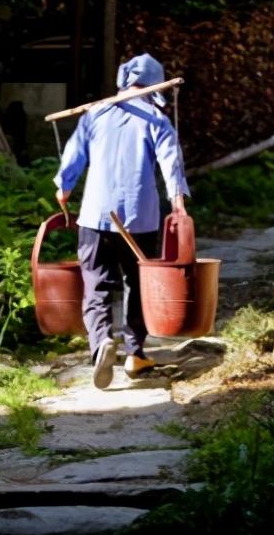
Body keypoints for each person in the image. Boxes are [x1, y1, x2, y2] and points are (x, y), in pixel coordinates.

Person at [54, 53, 190, 389]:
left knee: (96, 283)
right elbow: (170, 163)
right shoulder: (157, 119)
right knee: (137, 283)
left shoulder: (95, 113)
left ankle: (101, 342)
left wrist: (64, 188)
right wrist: (177, 203)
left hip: (95, 216)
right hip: (139, 219)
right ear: (155, 84)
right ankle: (135, 353)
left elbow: (73, 155)